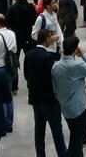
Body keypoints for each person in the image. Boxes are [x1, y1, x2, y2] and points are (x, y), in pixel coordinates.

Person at [52, 35, 86, 157]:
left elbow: (55, 88)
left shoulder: (55, 67)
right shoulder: (77, 66)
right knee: (76, 141)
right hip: (79, 108)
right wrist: (85, 55)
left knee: (75, 136)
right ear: (74, 49)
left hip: (65, 107)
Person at [24, 29, 66, 157]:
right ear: (47, 38)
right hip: (49, 100)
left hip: (35, 99)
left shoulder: (29, 55)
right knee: (57, 132)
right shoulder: (48, 57)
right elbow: (53, 78)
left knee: (39, 131)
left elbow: (26, 75)